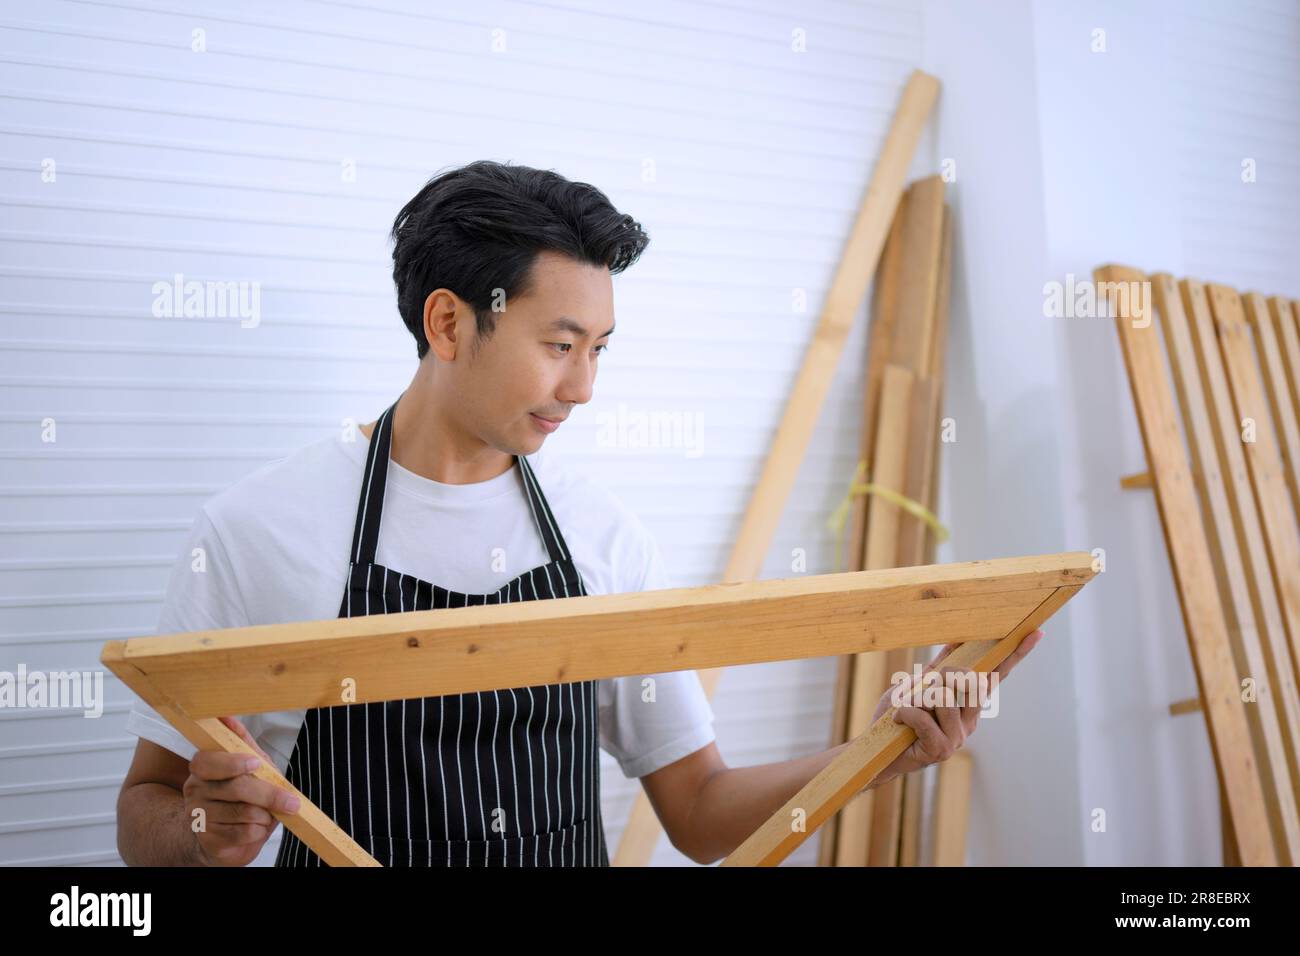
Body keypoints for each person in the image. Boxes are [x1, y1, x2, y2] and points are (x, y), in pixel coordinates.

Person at [115, 159, 1043, 867]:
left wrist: (884, 750)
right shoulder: (258, 529)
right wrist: (205, 826)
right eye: (559, 344)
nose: (585, 387)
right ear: (448, 324)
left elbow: (702, 813)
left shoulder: (601, 538)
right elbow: (145, 808)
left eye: (599, 348)